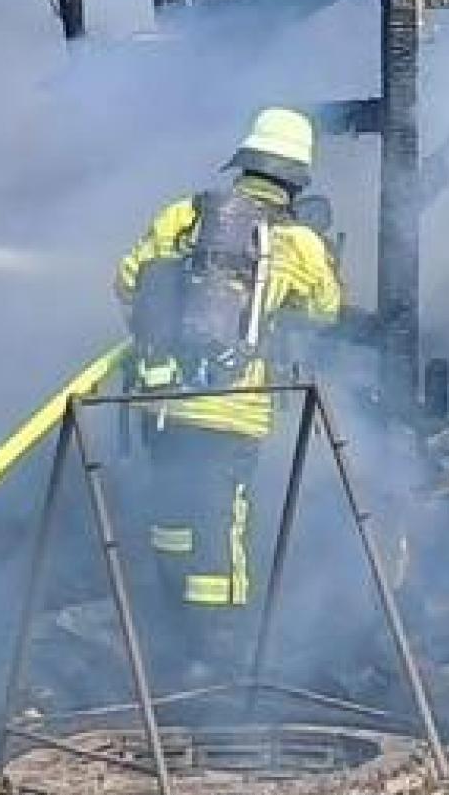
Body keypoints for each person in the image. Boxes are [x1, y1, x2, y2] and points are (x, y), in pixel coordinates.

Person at [115, 108, 343, 676]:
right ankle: (219, 655)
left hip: (161, 403)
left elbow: (127, 281)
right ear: (296, 178)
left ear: (244, 162)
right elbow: (325, 311)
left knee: (170, 518)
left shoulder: (184, 215)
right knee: (224, 529)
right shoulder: (296, 242)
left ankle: (169, 630)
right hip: (233, 410)